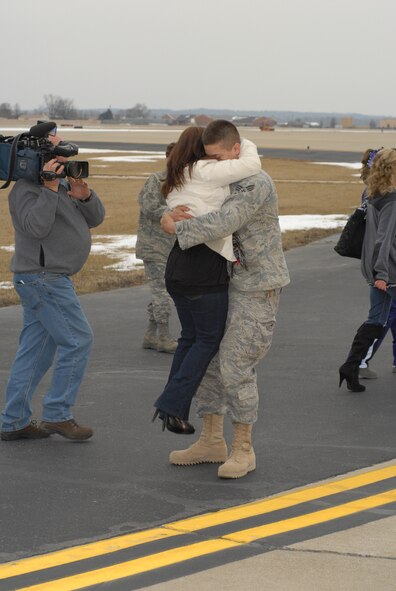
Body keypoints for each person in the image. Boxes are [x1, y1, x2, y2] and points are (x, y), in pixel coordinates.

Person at [161, 119, 290, 478]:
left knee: (235, 364)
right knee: (211, 359)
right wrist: (167, 214)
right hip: (223, 281)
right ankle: (212, 439)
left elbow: (226, 220)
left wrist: (177, 227)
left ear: (236, 150)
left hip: (256, 285)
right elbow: (189, 197)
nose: (213, 164)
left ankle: (244, 448)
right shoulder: (224, 177)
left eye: (219, 157)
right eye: (209, 158)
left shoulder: (254, 182)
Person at [153, 124, 262, 436]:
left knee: (189, 338)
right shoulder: (203, 169)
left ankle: (173, 411)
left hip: (178, 266)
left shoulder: (175, 175)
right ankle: (171, 403)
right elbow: (252, 165)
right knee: (207, 340)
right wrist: (242, 143)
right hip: (204, 268)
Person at [0, 131, 105, 441]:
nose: (65, 164)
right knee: (78, 340)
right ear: (41, 162)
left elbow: (96, 219)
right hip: (43, 279)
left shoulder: (61, 185)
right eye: (59, 159)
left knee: (35, 353)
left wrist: (83, 194)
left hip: (50, 278)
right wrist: (47, 190)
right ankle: (58, 414)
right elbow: (36, 227)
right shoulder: (25, 191)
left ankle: (13, 421)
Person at [339, 148, 396, 393]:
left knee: (375, 320)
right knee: (377, 320)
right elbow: (383, 239)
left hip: (375, 269)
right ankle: (353, 366)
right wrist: (382, 274)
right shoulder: (392, 199)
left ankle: (350, 367)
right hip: (389, 270)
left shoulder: (373, 194)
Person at [135, 142, 178, 354]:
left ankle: (151, 335)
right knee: (163, 291)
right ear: (168, 157)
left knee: (163, 291)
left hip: (173, 247)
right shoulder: (156, 181)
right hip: (154, 246)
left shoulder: (184, 183)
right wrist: (174, 212)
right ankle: (163, 336)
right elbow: (150, 207)